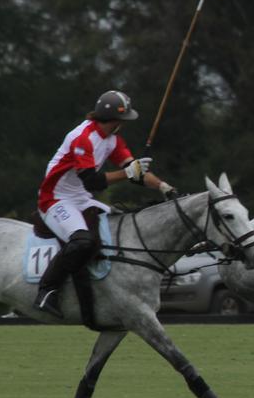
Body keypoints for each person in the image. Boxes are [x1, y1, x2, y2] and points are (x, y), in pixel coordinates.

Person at [34, 90, 176, 316]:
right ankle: (47, 291)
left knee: (122, 224)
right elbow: (92, 180)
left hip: (81, 198)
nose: (124, 124)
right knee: (82, 241)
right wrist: (128, 172)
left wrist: (163, 187)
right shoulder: (83, 138)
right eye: (123, 119)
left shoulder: (112, 140)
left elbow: (135, 172)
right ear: (114, 119)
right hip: (55, 198)